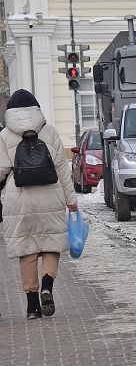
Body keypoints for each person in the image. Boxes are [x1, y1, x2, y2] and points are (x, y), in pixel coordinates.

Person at [0, 89, 78, 319]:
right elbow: (63, 171)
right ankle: (47, 286)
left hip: (20, 200)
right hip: (51, 196)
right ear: (36, 107)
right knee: (52, 245)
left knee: (27, 251)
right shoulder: (50, 131)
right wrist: (72, 202)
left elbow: (2, 170)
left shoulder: (5, 136)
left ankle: (32, 305)